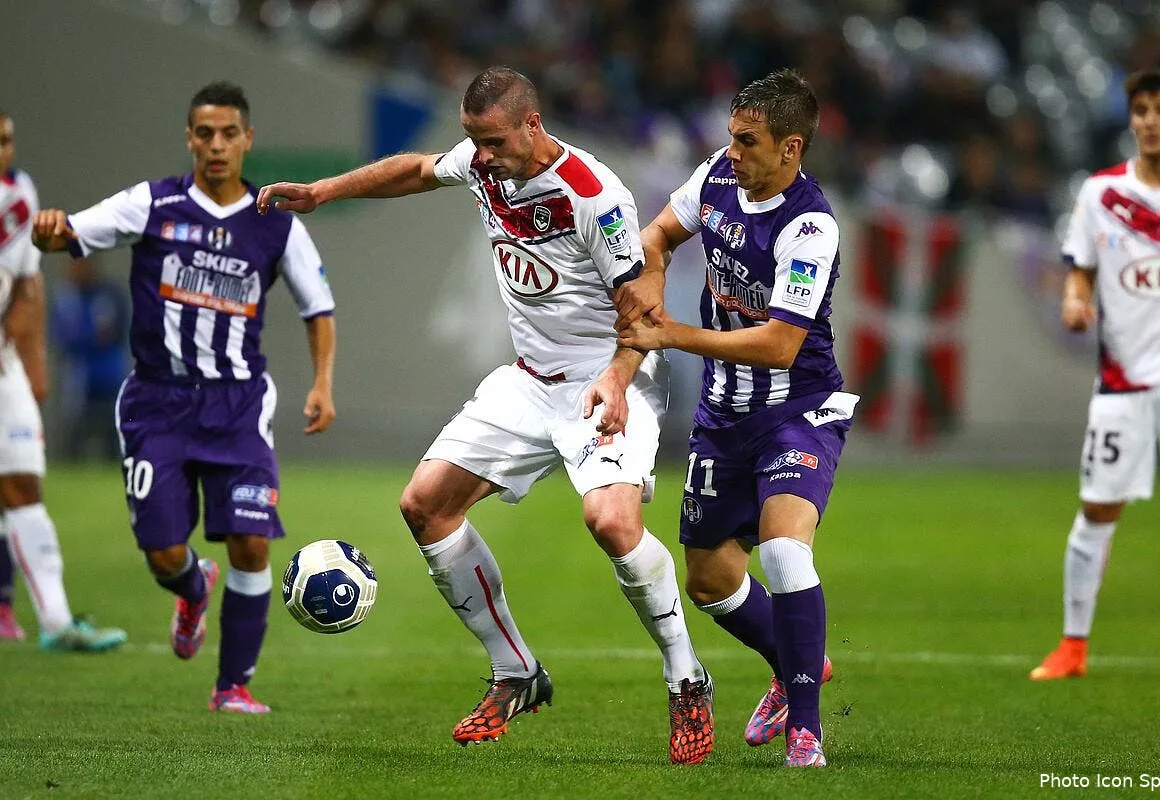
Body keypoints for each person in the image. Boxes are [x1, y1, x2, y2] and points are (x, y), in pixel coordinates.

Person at [257, 66, 714, 764]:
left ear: (533, 124)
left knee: (612, 523)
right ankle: (515, 671)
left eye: (494, 141)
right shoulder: (482, 162)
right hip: (529, 382)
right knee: (424, 505)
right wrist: (323, 191)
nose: (482, 155)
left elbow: (643, 312)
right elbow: (416, 169)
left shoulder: (593, 196)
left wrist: (619, 379)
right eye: (474, 140)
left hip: (610, 377)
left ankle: (686, 677)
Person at [32, 81, 337, 711]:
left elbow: (318, 307)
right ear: (190, 139)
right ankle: (193, 587)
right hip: (158, 403)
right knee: (164, 553)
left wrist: (322, 383)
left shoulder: (275, 223)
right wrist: (49, 230)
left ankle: (233, 685)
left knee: (251, 542)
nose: (217, 145)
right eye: (205, 134)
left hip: (238, 404)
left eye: (229, 134)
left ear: (248, 139)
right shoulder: (152, 204)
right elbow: (69, 234)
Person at [614, 69, 856, 768]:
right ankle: (795, 661)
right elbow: (658, 233)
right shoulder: (718, 176)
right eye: (731, 136)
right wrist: (652, 276)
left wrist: (672, 333)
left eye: (749, 141)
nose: (733, 151)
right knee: (710, 580)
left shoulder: (809, 227)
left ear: (790, 147)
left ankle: (806, 732)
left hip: (797, 409)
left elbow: (780, 345)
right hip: (723, 415)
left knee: (783, 551)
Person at [1030, 68, 1160, 683]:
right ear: (1132, 120)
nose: (1150, 120)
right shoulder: (1101, 193)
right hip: (1122, 383)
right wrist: (1075, 299)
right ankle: (1072, 646)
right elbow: (1080, 269)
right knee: (1097, 510)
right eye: (1142, 110)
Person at [0, 110, 127, 650]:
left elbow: (26, 282)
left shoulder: (19, 193)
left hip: (3, 360)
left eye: (7, 140)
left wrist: (32, 363)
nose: (4, 150)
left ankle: (55, 622)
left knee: (24, 483)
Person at [49, 256, 130, 461]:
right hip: (78, 376)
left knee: (113, 431)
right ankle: (69, 467)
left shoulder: (109, 294)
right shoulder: (66, 299)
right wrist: (92, 336)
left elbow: (119, 330)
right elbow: (62, 337)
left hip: (110, 374)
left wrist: (88, 337)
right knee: (74, 431)